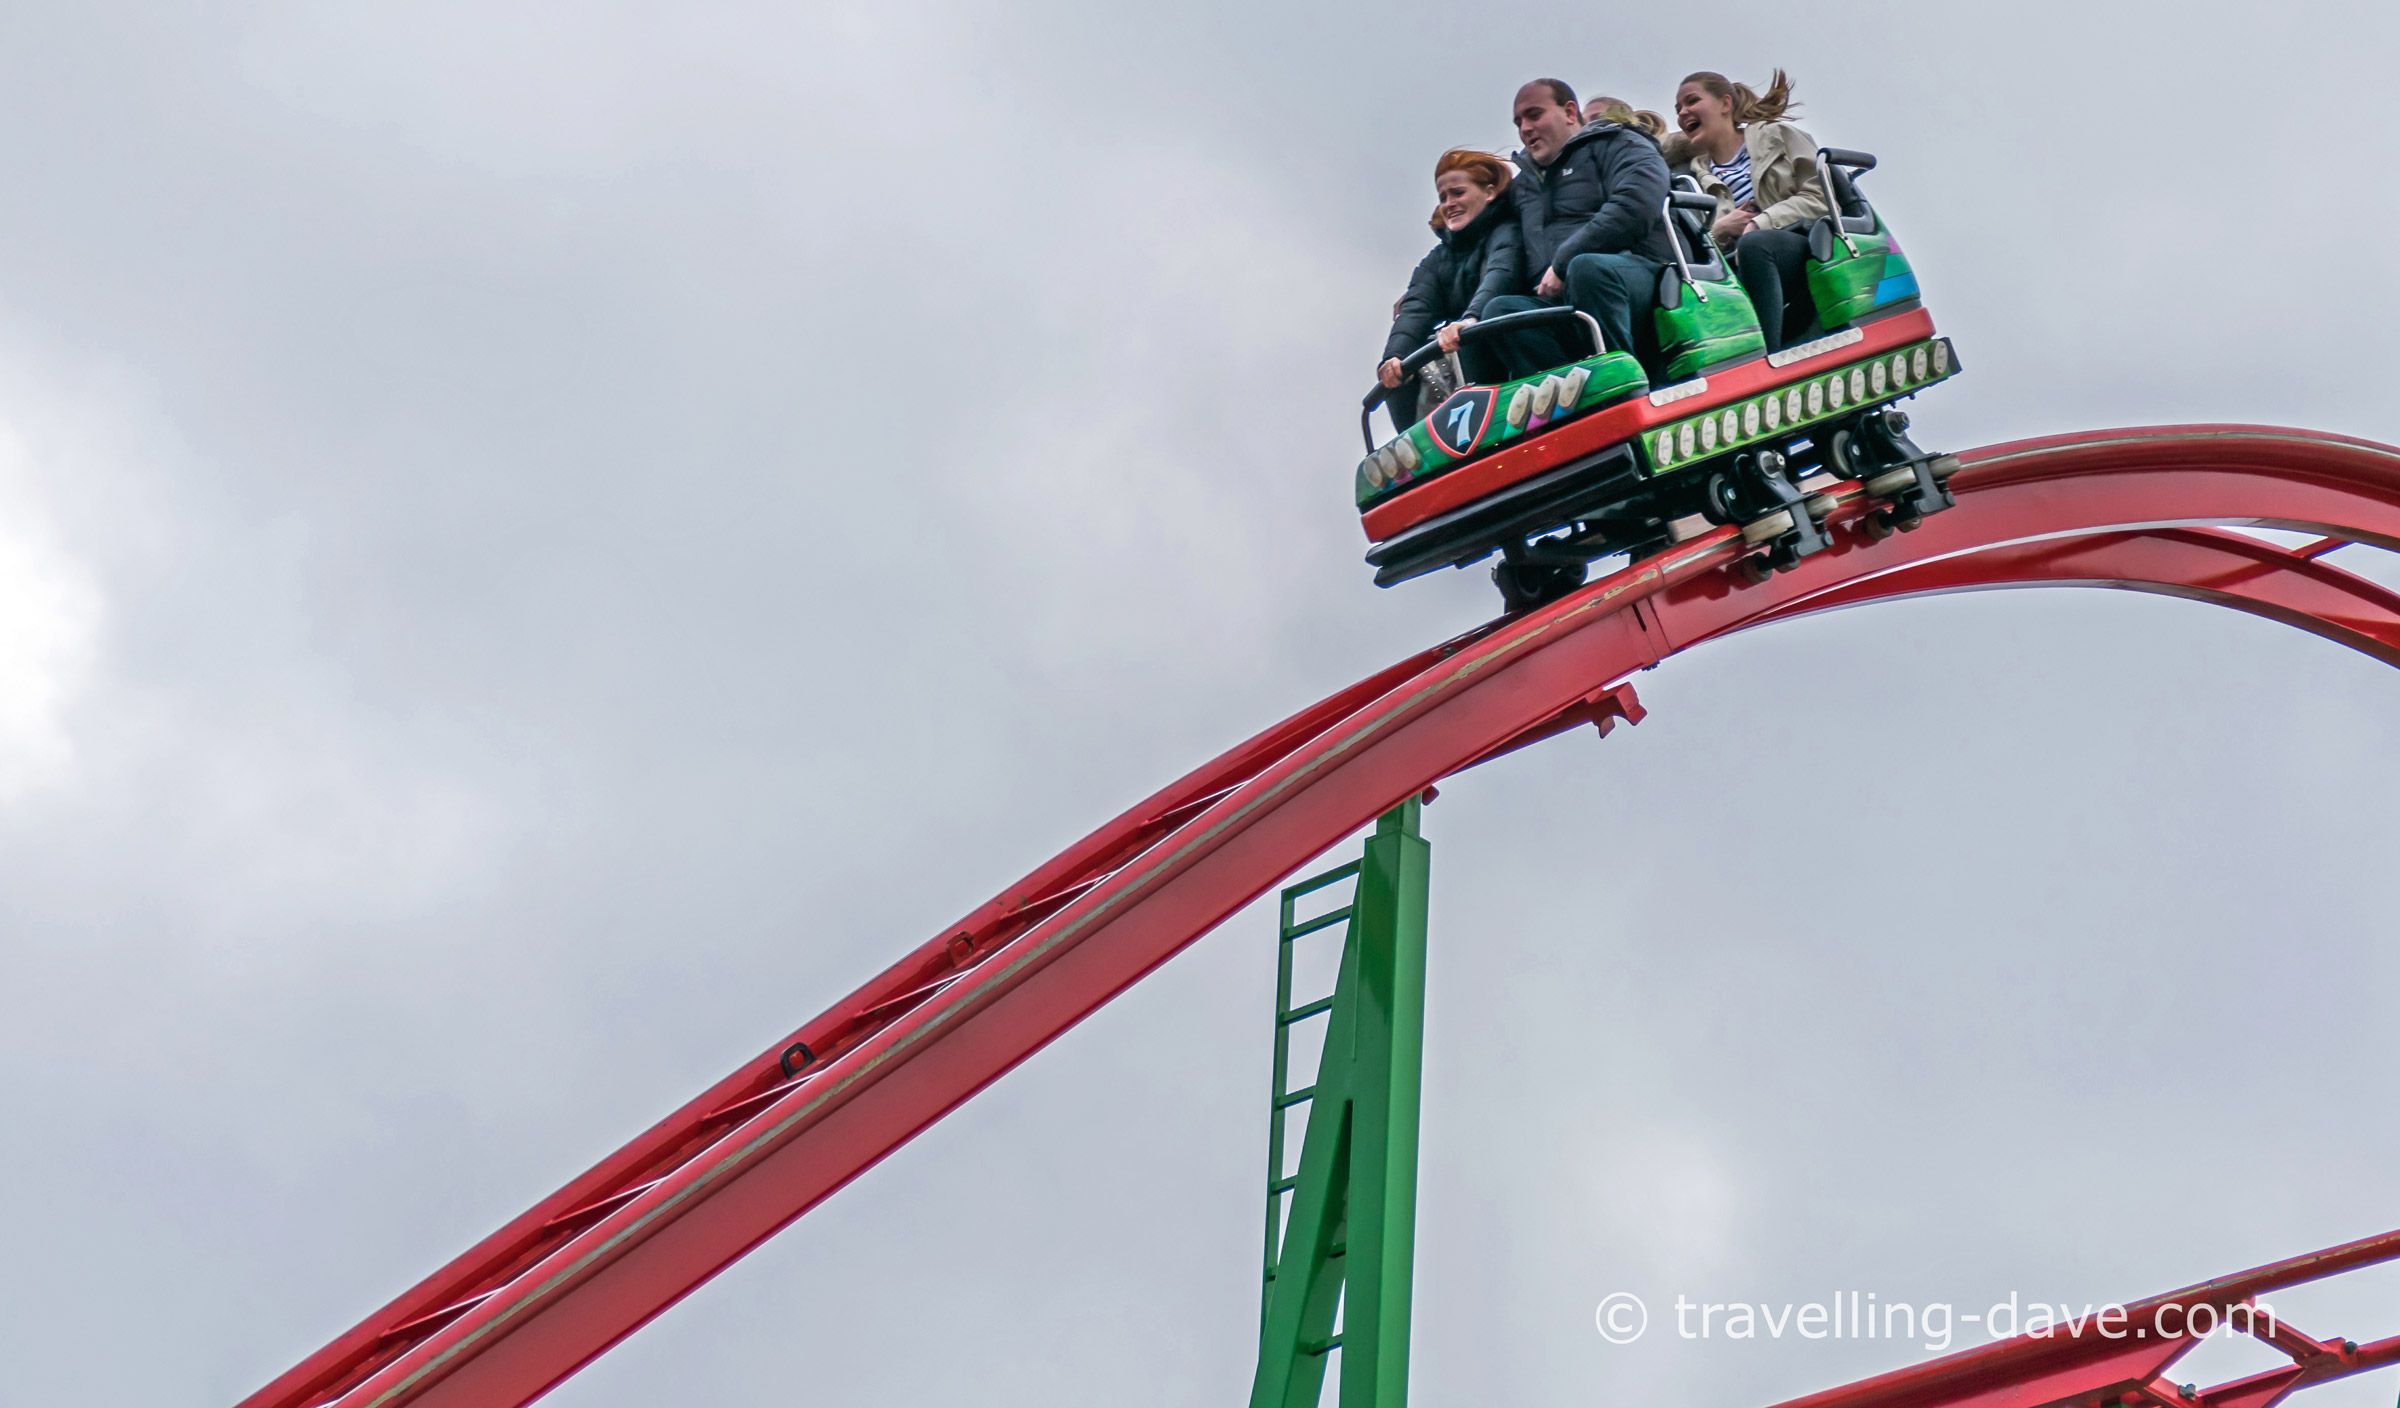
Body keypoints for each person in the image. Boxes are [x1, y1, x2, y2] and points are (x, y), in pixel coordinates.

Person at [1480, 78, 1674, 376]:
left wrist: (1562, 263)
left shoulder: (1618, 142)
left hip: (1640, 278)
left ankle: (1619, 384)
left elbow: (1637, 203)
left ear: (1570, 113)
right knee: (1500, 312)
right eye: (1519, 123)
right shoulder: (1522, 189)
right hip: (1561, 297)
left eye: (1534, 115)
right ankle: (1568, 399)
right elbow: (1482, 235)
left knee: (1587, 269)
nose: (1525, 129)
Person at [1669, 69, 1831, 351]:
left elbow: (1821, 196)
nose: (1683, 112)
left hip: (1800, 246)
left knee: (1756, 244)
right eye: (1678, 109)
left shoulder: (1777, 136)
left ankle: (1762, 354)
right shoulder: (1691, 178)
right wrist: (1718, 230)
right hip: (1736, 266)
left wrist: (1761, 223)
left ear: (1725, 104)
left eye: (1692, 101)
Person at [1377, 149, 1525, 426]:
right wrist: (1394, 356)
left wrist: (1470, 319)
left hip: (1502, 342)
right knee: (1400, 370)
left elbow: (1501, 276)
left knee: (1471, 333)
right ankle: (1417, 452)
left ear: (1489, 192)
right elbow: (1417, 308)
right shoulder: (1437, 260)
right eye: (1443, 197)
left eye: (1458, 193)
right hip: (1464, 342)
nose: (1449, 204)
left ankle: (1485, 423)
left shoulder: (1506, 232)